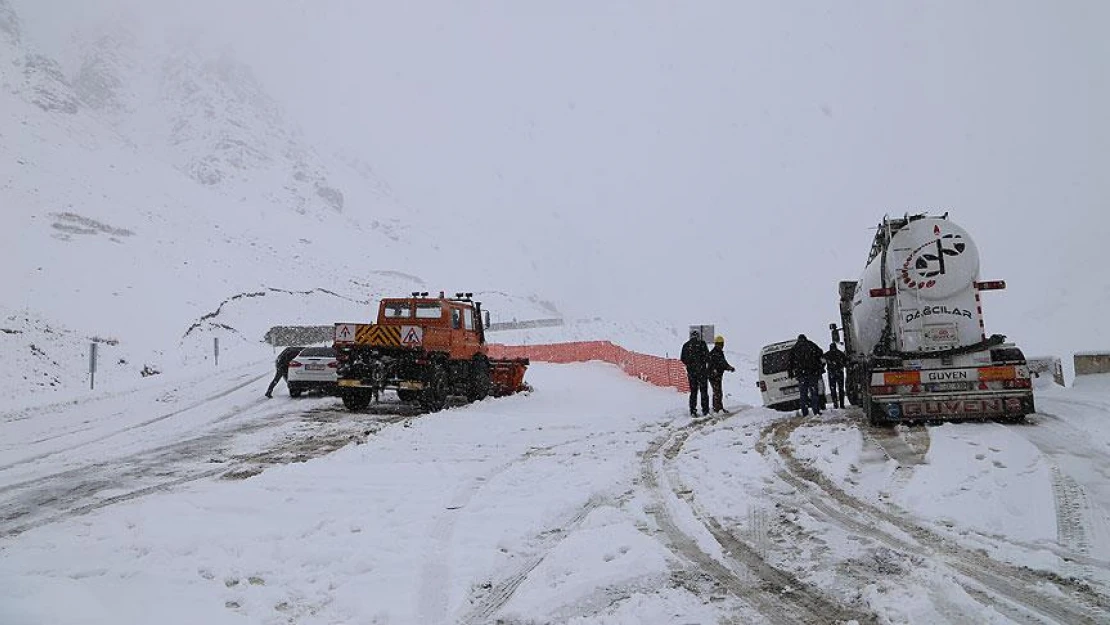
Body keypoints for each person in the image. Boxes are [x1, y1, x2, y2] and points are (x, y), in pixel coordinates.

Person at [786, 333, 824, 416]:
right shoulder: (811, 345)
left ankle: (805, 412)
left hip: (801, 375)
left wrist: (790, 373)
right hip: (812, 373)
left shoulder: (795, 348)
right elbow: (820, 353)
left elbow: (790, 362)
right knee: (814, 393)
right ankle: (816, 411)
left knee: (803, 394)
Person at [680, 330, 710, 416]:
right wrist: (702, 363)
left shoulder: (686, 345)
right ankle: (705, 410)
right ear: (698, 336)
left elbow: (682, 358)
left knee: (693, 392)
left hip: (692, 373)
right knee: (704, 391)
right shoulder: (702, 344)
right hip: (702, 372)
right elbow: (707, 357)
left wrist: (690, 365)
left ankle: (693, 410)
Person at [707, 335, 736, 413]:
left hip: (716, 375)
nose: (721, 346)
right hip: (714, 376)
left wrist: (729, 367)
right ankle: (718, 409)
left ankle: (717, 408)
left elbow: (723, 363)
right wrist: (728, 368)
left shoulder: (717, 353)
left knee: (717, 392)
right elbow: (719, 364)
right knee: (718, 392)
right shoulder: (715, 353)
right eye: (721, 344)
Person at [825, 342, 848, 409]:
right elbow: (846, 362)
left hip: (831, 373)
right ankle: (842, 404)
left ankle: (835, 404)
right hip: (840, 372)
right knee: (841, 389)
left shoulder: (827, 354)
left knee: (833, 389)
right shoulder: (840, 353)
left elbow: (822, 361)